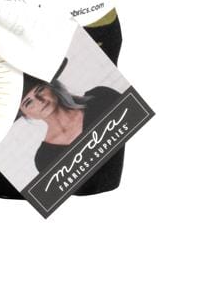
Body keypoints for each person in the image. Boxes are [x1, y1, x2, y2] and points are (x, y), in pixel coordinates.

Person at [18, 60, 125, 190]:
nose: (39, 101)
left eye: (40, 90)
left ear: (51, 86)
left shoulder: (102, 97)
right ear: (26, 115)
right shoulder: (44, 159)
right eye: (28, 102)